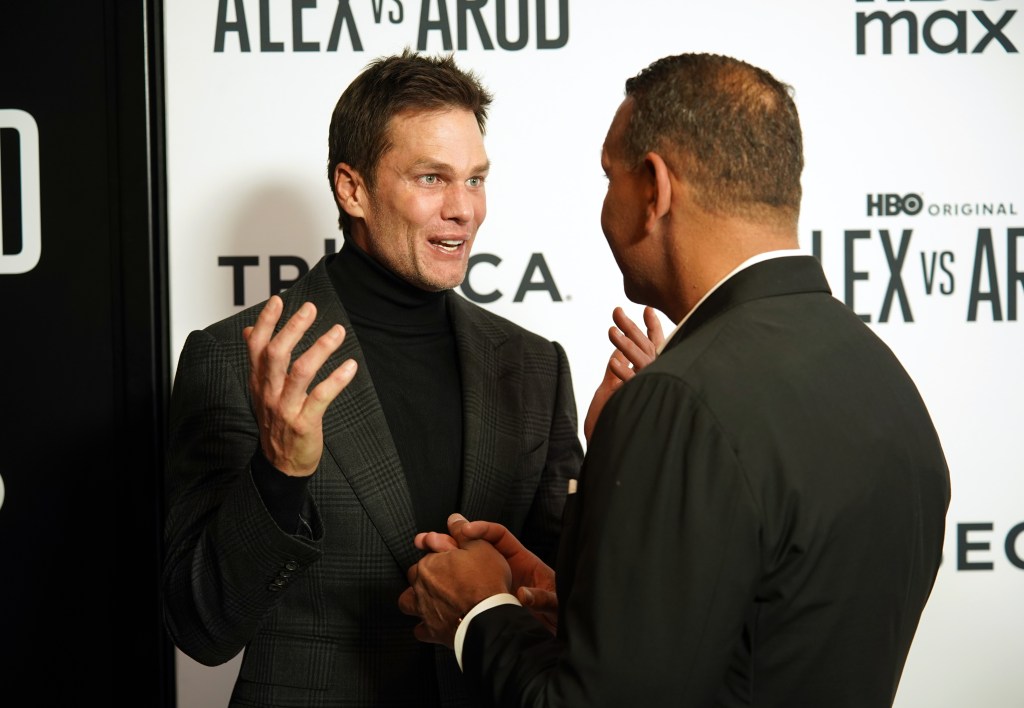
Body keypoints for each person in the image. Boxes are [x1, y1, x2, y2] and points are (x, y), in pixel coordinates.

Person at [399, 52, 951, 707]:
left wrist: (478, 612)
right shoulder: (880, 376)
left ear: (654, 189)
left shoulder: (680, 398)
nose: (605, 205)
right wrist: (576, 598)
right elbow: (742, 639)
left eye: (610, 177)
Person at [161, 49, 584, 707]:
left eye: (475, 180)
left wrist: (629, 462)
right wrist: (278, 474)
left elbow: (577, 602)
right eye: (431, 178)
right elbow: (201, 625)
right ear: (351, 189)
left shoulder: (534, 366)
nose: (463, 210)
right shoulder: (236, 358)